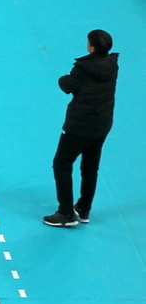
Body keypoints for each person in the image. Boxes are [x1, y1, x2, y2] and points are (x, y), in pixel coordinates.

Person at [44, 29, 117, 227]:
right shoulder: (112, 64)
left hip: (80, 126)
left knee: (62, 164)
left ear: (91, 48)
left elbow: (65, 85)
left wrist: (69, 75)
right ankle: (83, 209)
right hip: (102, 125)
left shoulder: (83, 68)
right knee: (90, 167)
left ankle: (66, 214)